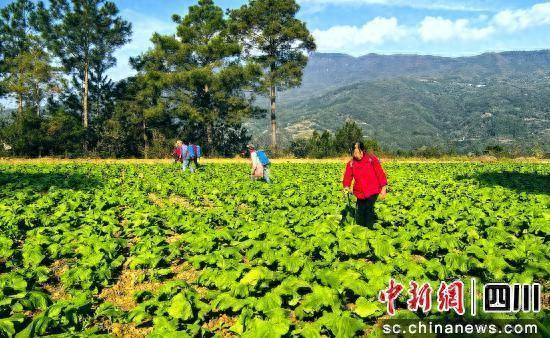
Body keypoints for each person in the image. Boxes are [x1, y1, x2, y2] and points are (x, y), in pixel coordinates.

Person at [342, 142, 387, 227]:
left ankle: (369, 230)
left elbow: (380, 173)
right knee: (360, 212)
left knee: (368, 210)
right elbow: (347, 176)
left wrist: (383, 188)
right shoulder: (351, 163)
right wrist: (346, 186)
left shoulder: (371, 159)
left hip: (373, 190)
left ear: (363, 150)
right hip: (360, 192)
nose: (356, 155)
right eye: (354, 153)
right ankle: (361, 230)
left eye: (358, 152)